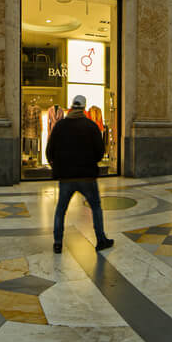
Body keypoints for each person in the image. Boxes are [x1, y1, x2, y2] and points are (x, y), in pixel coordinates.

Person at [46, 95, 114, 254]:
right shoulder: (90, 126)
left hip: (66, 177)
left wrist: (57, 166)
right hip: (87, 176)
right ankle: (101, 240)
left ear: (71, 106)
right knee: (96, 207)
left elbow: (50, 151)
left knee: (60, 210)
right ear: (84, 107)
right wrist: (91, 162)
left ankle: (57, 243)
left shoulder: (60, 126)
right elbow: (100, 152)